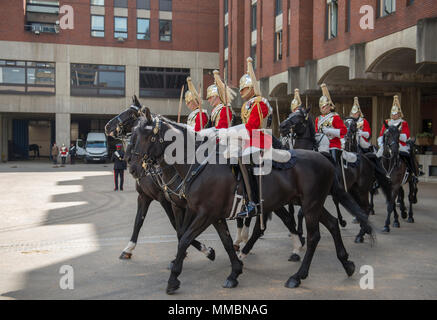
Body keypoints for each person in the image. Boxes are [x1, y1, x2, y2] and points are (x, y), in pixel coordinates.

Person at [219, 57, 272, 218]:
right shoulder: (247, 105)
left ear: (250, 88)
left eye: (243, 89)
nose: (241, 92)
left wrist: (230, 132)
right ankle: (241, 195)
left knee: (243, 159)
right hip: (248, 140)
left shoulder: (260, 102)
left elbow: (253, 126)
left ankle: (253, 202)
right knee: (229, 157)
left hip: (260, 139)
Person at [377, 95, 418, 178]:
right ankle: (376, 175)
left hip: (400, 144)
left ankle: (414, 172)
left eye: (396, 114)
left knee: (408, 155)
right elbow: (381, 135)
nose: (394, 115)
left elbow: (406, 136)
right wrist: (381, 144)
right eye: (392, 114)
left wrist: (396, 135)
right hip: (387, 145)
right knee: (377, 156)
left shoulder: (403, 123)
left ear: (399, 114)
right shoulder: (387, 122)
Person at [315, 83, 347, 166]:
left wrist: (329, 130)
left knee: (334, 167)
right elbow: (316, 132)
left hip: (333, 145)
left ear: (329, 107)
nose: (322, 109)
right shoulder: (318, 119)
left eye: (324, 106)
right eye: (321, 107)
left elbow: (344, 131)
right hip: (320, 146)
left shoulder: (335, 117)